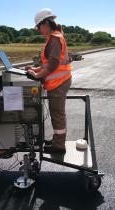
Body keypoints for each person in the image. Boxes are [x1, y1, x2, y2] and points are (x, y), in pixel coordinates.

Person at [26, 8, 72, 153]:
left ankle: (59, 146)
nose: (39, 29)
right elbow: (48, 65)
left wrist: (38, 75)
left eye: (39, 26)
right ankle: (58, 140)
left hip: (59, 83)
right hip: (60, 81)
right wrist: (35, 69)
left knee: (57, 113)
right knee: (57, 113)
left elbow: (53, 64)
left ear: (46, 23)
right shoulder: (55, 37)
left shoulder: (54, 38)